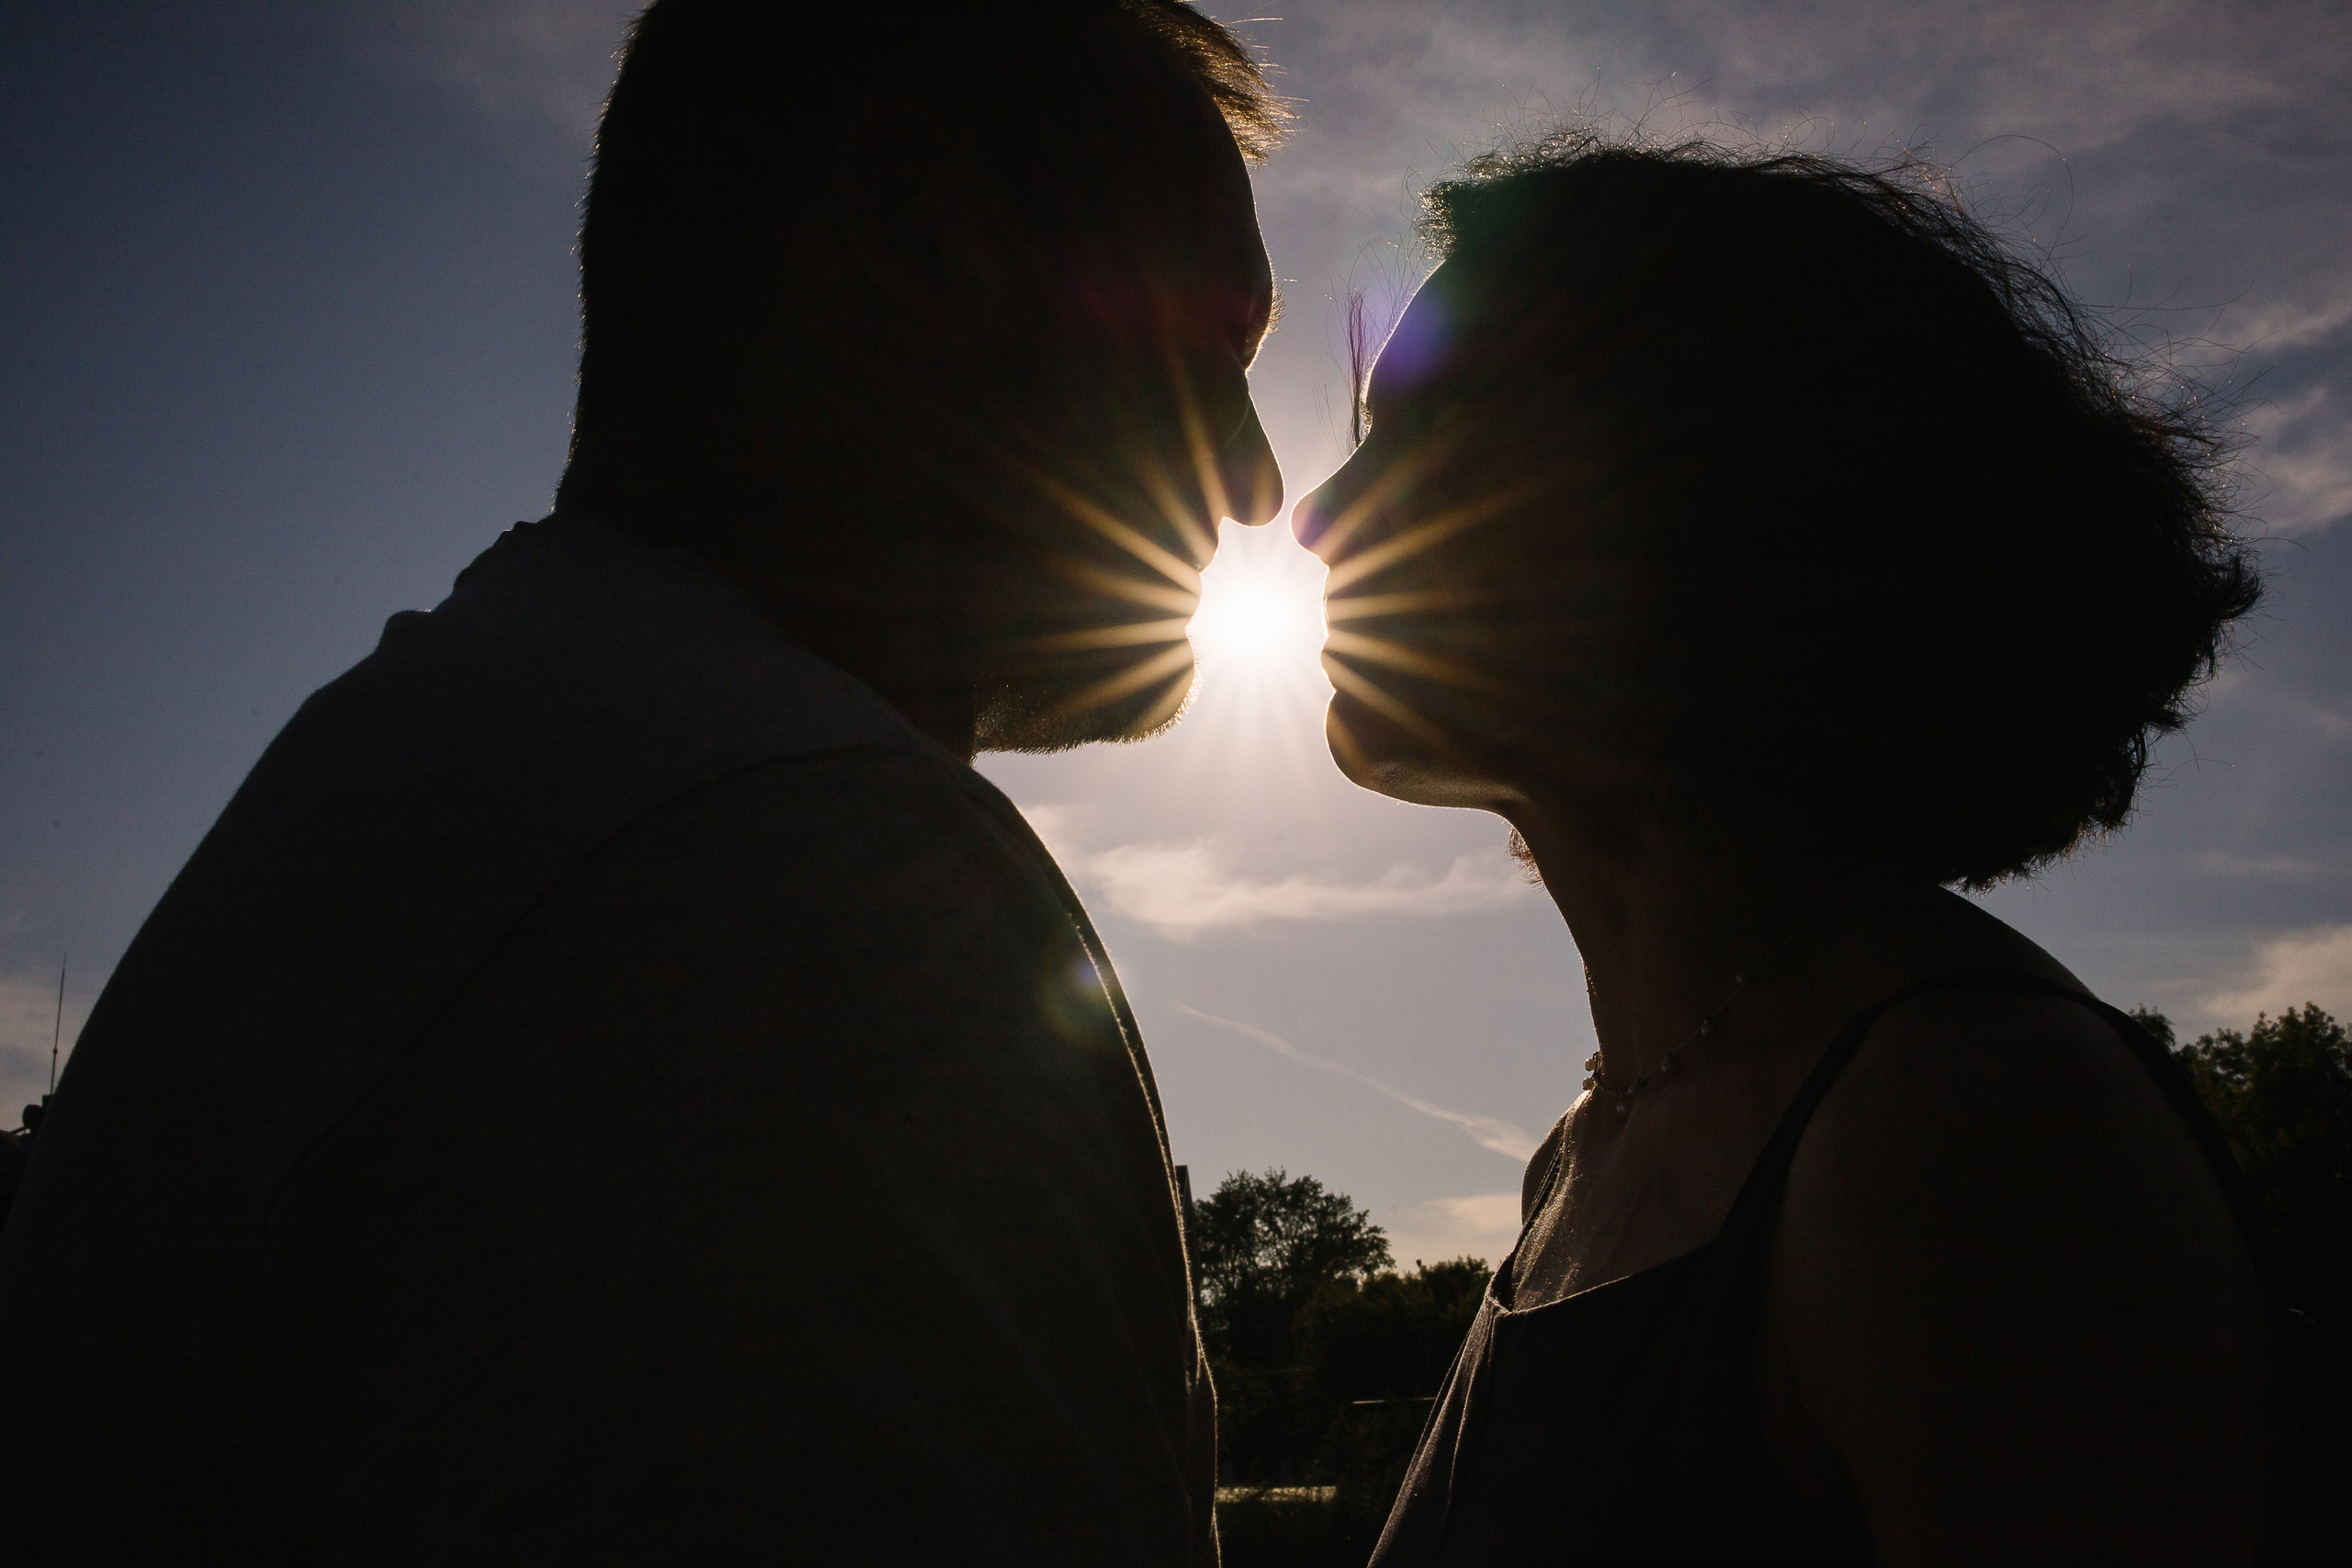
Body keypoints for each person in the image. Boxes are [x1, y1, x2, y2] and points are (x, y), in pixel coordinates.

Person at [0, 3, 1284, 1562]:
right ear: (913, 224)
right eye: (1214, 346)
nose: (1254, 480)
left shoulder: (481, 782)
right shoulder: (794, 878)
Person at [1293, 132, 2294, 1564]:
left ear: (1704, 503)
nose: (1322, 519)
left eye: (1424, 437)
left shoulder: (1963, 1135)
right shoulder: (1597, 1149)